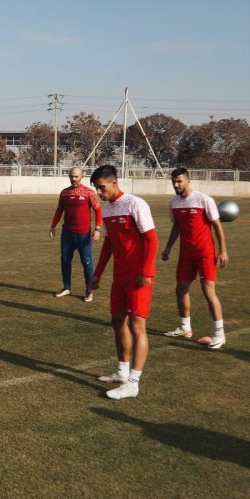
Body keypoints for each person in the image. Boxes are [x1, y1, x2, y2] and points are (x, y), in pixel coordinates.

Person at [88, 165, 158, 400]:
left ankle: (133, 383)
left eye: (101, 187)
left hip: (139, 277)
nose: (99, 192)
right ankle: (122, 371)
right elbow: (109, 244)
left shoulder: (135, 204)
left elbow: (152, 239)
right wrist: (97, 274)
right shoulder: (107, 209)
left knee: (138, 327)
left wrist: (146, 271)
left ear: (114, 182)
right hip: (120, 276)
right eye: (96, 188)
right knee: (117, 321)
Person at [161, 168, 229, 349]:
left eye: (179, 181)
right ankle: (185, 327)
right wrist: (168, 247)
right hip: (186, 254)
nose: (176, 185)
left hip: (205, 253)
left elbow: (216, 225)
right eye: (174, 181)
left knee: (208, 292)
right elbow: (176, 227)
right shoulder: (174, 202)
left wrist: (222, 250)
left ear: (188, 181)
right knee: (181, 289)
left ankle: (219, 334)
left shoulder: (203, 199)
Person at [49, 166, 102, 301]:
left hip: (84, 235)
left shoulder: (89, 193)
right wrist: (53, 227)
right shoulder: (64, 193)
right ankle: (66, 288)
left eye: (76, 176)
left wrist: (97, 229)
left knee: (87, 263)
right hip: (67, 235)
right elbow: (59, 210)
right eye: (71, 176)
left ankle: (89, 291)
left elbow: (98, 211)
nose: (73, 179)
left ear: (82, 177)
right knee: (65, 261)